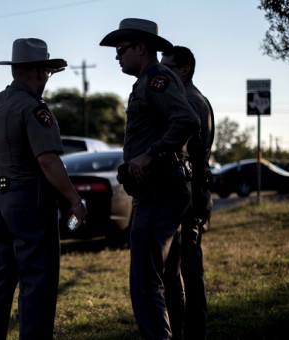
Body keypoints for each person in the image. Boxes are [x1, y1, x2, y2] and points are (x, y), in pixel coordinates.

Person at [0, 38, 87, 339]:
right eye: (48, 73)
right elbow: (48, 161)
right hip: (29, 203)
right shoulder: (33, 108)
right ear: (39, 72)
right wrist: (73, 199)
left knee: (1, 281)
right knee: (37, 284)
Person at [100, 19, 200, 340]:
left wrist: (150, 154)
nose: (117, 57)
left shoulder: (156, 78)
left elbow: (187, 119)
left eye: (121, 50)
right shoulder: (146, 81)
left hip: (160, 189)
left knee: (145, 278)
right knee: (166, 276)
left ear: (141, 48)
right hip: (159, 189)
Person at [161, 46, 215, 340]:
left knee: (185, 273)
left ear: (184, 70)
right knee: (181, 271)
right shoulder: (193, 97)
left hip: (189, 196)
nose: (162, 72)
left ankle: (189, 334)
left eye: (168, 67)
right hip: (193, 194)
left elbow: (193, 157)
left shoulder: (190, 101)